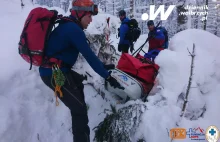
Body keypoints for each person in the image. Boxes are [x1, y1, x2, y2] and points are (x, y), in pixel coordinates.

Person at [39, 0, 123, 141]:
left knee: (78, 84)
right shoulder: (73, 29)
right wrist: (107, 76)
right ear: (79, 14)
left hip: (58, 70)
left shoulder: (69, 26)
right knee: (79, 110)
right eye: (89, 16)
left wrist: (103, 67)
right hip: (54, 73)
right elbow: (89, 56)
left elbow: (88, 56)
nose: (91, 20)